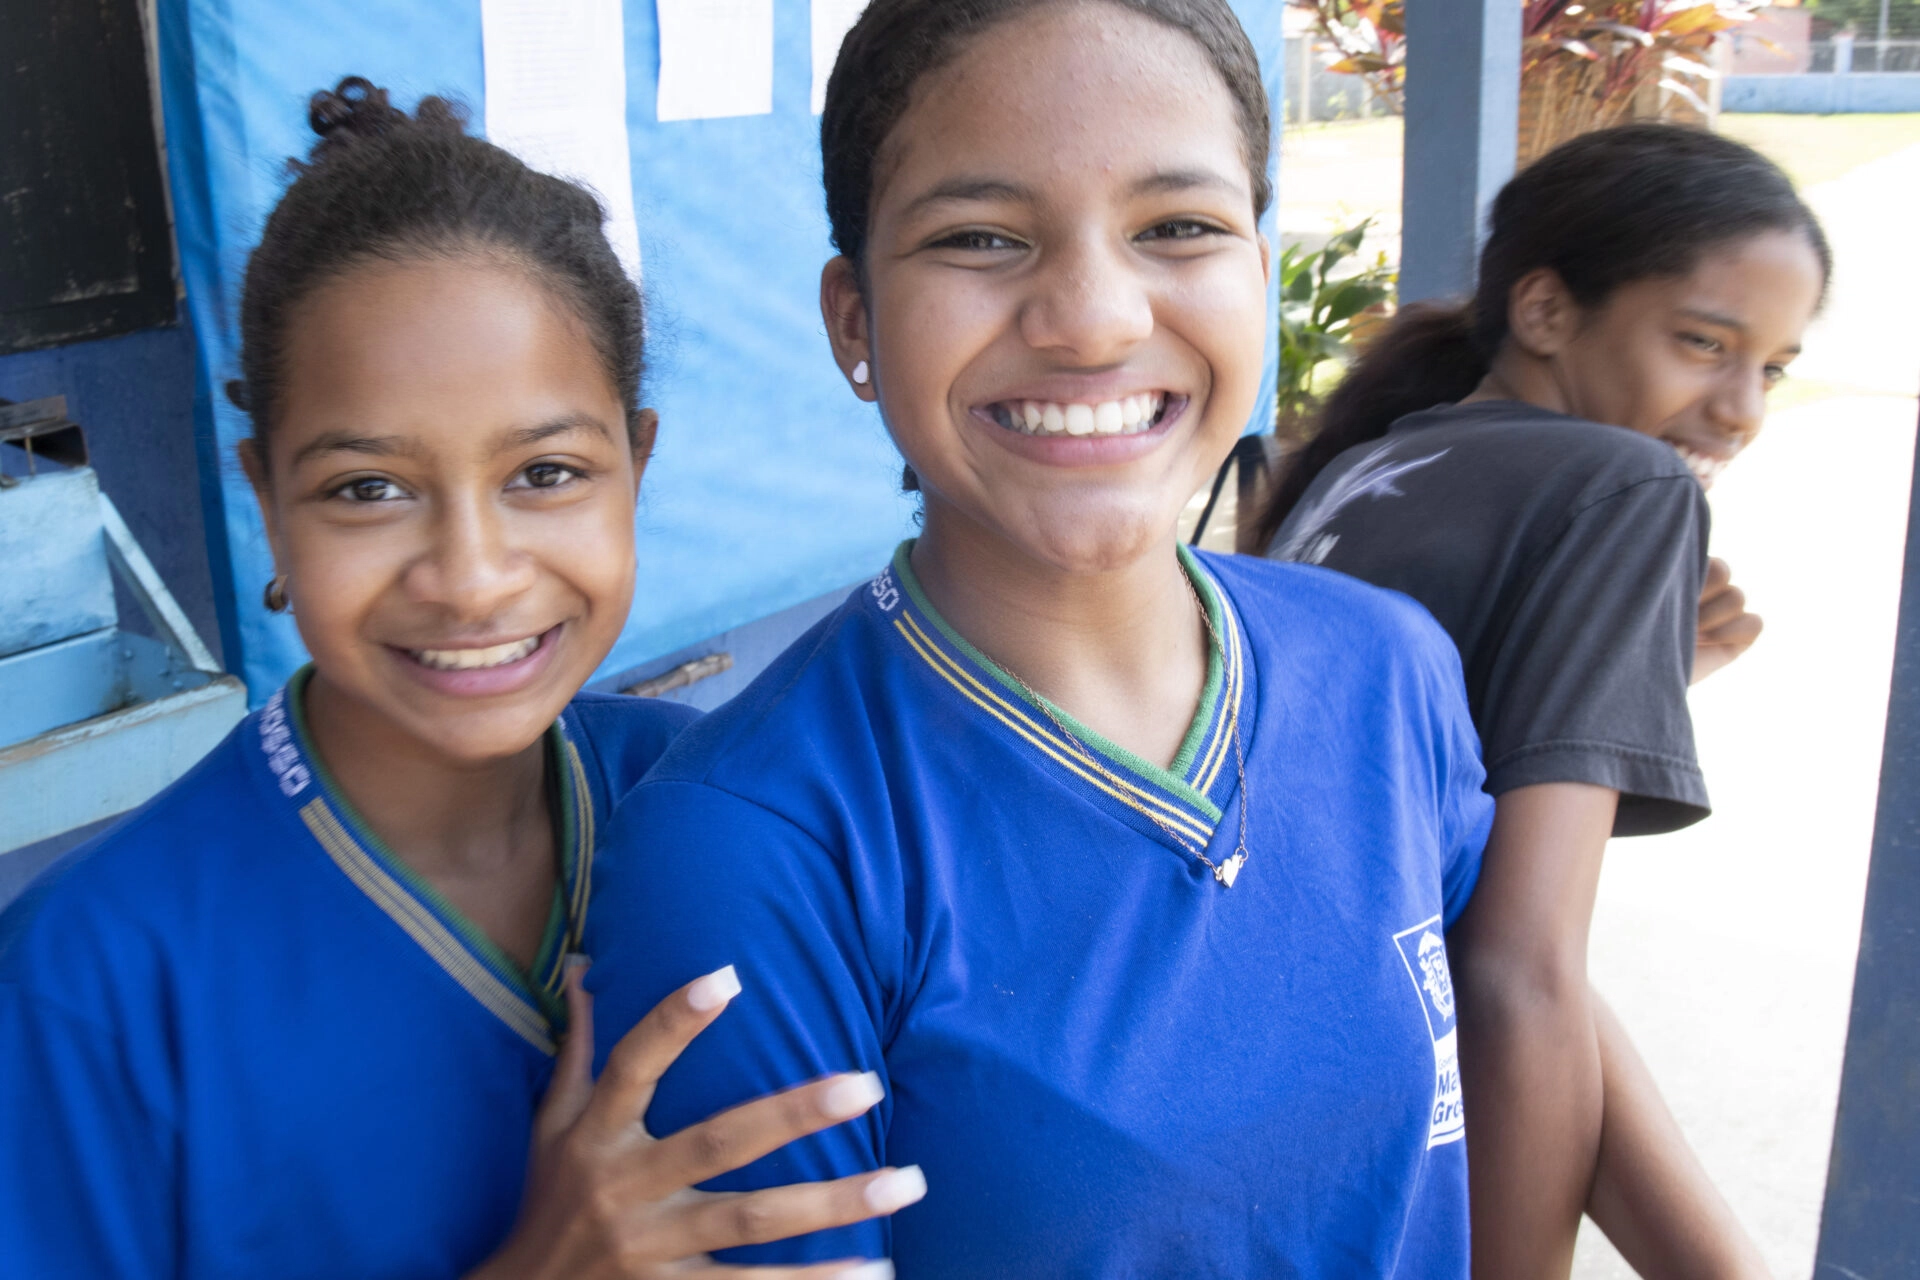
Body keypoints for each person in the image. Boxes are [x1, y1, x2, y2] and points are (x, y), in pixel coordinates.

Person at [584, 2, 1492, 1275]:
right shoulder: (754, 847)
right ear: (855, 321)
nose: (1093, 318)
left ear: (1262, 265)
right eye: (981, 238)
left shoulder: (1389, 668)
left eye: (1177, 227)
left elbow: (1503, 1025)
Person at [0, 79, 919, 1280]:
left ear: (635, 465)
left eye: (544, 472)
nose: (473, 579)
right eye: (368, 488)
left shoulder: (711, 806)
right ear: (267, 501)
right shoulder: (90, 985)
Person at [1249, 124, 1831, 1279]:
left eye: (1771, 366)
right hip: (1349, 1057)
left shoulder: (1372, 459)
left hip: (1257, 1009)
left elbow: (1423, 811)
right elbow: (1512, 961)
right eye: (1703, 344)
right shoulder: (1625, 482)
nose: (1741, 407)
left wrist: (1627, 693)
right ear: (1549, 310)